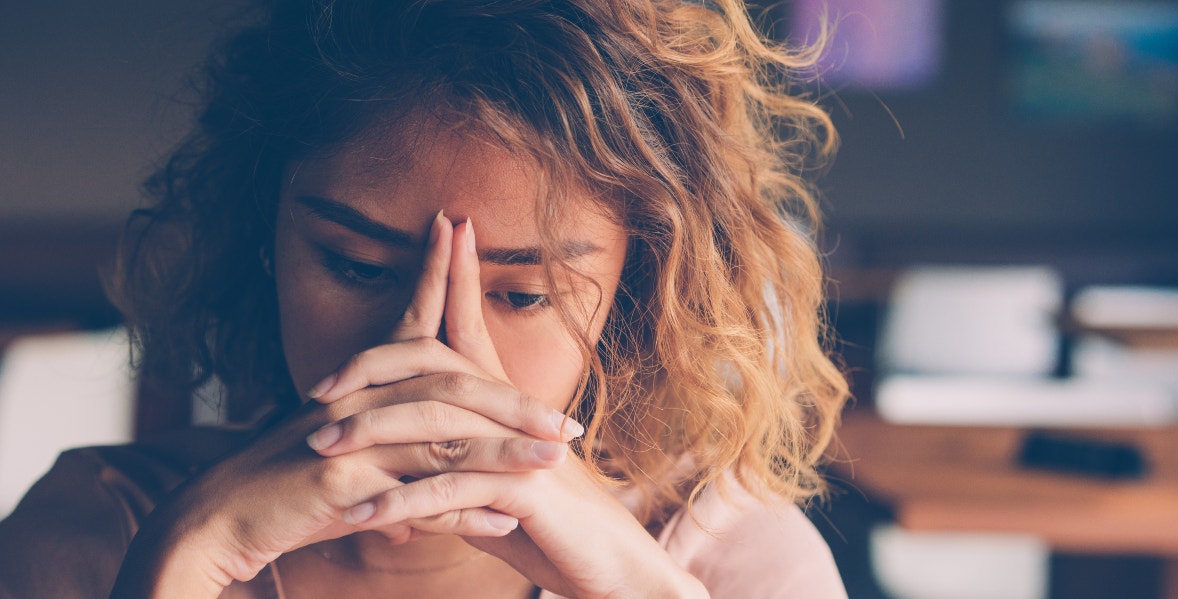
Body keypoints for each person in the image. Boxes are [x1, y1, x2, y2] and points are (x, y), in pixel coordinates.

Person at [0, 0, 848, 596]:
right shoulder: (99, 530)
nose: (435, 355)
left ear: (632, 291)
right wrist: (182, 563)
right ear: (265, 240)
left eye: (524, 294)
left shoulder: (728, 560)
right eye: (359, 267)